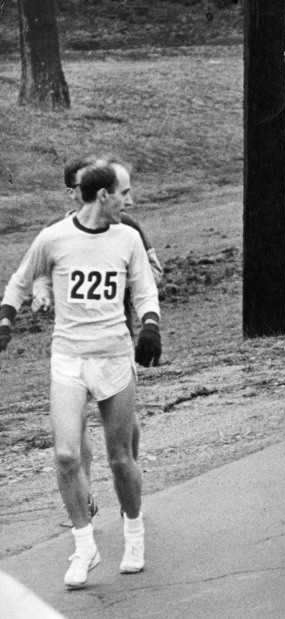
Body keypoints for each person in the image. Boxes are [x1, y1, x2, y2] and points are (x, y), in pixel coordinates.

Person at [0, 161, 162, 588]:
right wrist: (5, 319)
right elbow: (20, 280)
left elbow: (144, 289)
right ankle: (84, 545)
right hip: (68, 357)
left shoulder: (127, 237)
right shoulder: (54, 237)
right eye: (124, 193)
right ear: (103, 195)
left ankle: (133, 533)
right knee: (67, 455)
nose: (130, 201)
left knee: (119, 458)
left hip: (113, 356)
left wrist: (150, 324)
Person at [32, 155, 163, 520]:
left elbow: (151, 272)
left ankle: (128, 480)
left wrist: (147, 292)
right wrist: (42, 292)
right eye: (77, 187)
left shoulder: (126, 226)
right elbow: (41, 270)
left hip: (116, 336)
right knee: (73, 432)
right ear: (72, 191)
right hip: (73, 342)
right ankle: (84, 494)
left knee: (125, 426)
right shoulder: (57, 231)